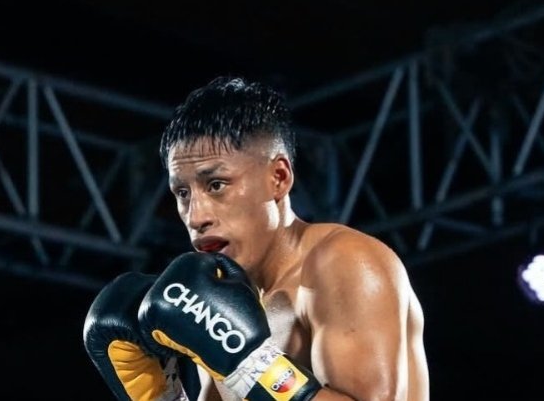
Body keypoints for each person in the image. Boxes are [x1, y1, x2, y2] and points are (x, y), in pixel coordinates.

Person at [84, 76, 428, 401]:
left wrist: (254, 365)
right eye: (183, 193)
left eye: (216, 184)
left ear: (278, 178)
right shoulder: (220, 303)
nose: (196, 216)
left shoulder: (345, 261)